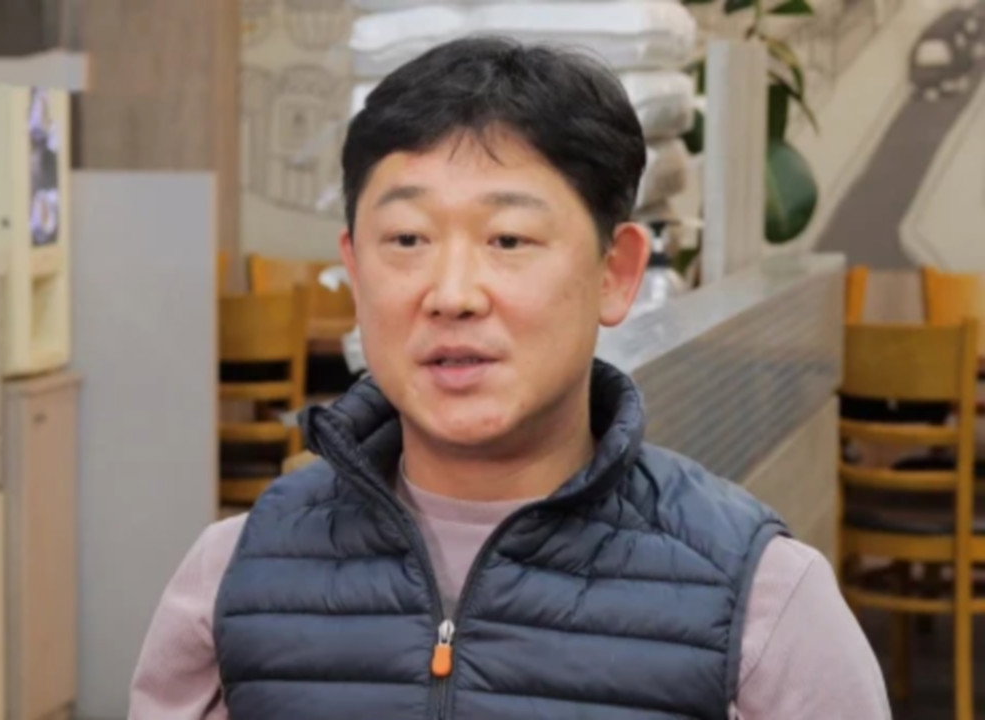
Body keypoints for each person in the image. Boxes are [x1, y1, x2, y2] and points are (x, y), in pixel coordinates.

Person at [130, 37, 889, 720]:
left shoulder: (758, 599)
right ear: (354, 269)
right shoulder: (232, 578)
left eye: (509, 239)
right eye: (407, 238)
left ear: (616, 273)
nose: (452, 293)